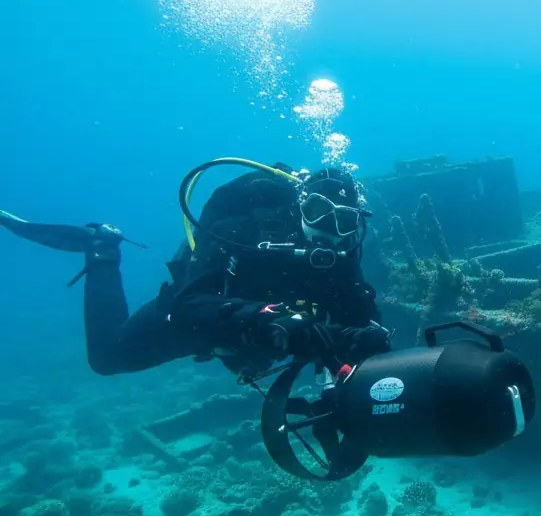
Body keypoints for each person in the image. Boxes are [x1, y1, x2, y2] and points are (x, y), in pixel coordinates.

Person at [0, 161, 392, 379]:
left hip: (252, 341)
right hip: (200, 319)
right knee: (105, 359)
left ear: (357, 224)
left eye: (343, 220)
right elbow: (191, 302)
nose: (328, 229)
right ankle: (101, 249)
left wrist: (367, 343)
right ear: (299, 205)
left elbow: (360, 319)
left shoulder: (340, 256)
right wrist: (264, 318)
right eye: (318, 212)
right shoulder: (244, 225)